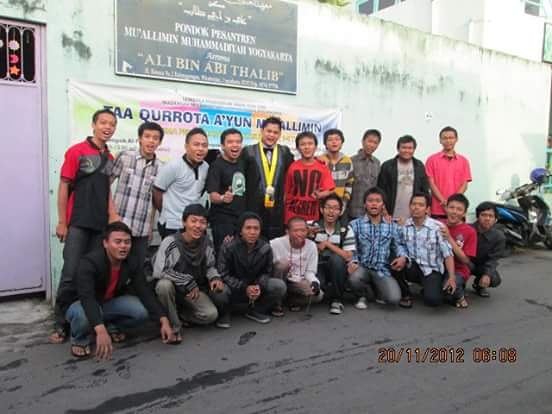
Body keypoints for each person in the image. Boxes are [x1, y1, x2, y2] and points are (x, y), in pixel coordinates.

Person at [56, 222, 174, 359]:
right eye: (117, 242)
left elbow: (145, 292)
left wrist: (163, 320)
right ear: (105, 243)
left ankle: (112, 327)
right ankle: (79, 339)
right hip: (79, 304)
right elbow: (87, 298)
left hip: (106, 303)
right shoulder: (90, 263)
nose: (123, 246)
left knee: (141, 311)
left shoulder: (132, 261)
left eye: (127, 242)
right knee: (82, 315)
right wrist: (100, 331)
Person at [50, 109, 119, 344]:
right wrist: (62, 222)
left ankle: (90, 319)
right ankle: (61, 322)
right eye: (103, 123)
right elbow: (64, 186)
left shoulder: (109, 157)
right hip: (78, 223)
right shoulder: (76, 151)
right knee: (70, 274)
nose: (107, 127)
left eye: (111, 124)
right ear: (93, 125)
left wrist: (112, 215)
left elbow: (106, 191)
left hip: (100, 226)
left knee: (94, 274)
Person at [152, 204, 223, 342]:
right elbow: (159, 271)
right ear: (184, 222)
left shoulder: (206, 242)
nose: (198, 226)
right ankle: (174, 326)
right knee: (163, 285)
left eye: (202, 222)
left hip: (192, 291)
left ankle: (181, 315)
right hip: (173, 289)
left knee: (210, 315)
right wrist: (186, 280)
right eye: (193, 221)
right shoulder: (170, 242)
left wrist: (215, 278)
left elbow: (210, 266)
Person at [214, 212, 287, 328]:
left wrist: (258, 285)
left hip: (254, 286)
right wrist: (244, 287)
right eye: (248, 228)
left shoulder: (265, 248)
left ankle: (255, 310)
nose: (252, 232)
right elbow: (223, 274)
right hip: (233, 287)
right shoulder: (228, 247)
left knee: (279, 286)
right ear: (240, 231)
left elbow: (267, 272)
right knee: (219, 291)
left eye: (256, 228)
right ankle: (225, 313)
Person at [111, 122, 164, 266]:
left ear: (159, 142)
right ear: (140, 138)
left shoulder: (161, 167)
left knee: (136, 268)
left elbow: (153, 201)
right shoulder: (124, 157)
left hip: (142, 229)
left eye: (155, 138)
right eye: (147, 136)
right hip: (118, 224)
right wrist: (110, 215)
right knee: (114, 267)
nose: (151, 141)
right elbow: (105, 185)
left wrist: (150, 227)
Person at [392, 193, 457, 308]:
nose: (416, 207)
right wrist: (403, 257)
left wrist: (452, 277)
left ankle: (432, 286)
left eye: (421, 205)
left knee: (433, 301)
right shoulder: (405, 226)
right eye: (413, 204)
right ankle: (405, 294)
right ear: (409, 206)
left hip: (431, 270)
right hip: (413, 267)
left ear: (427, 209)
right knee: (393, 261)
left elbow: (448, 254)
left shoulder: (438, 227)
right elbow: (401, 245)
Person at [348, 187, 407, 309]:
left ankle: (374, 290)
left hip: (381, 270)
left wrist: (402, 257)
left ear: (383, 205)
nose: (374, 204)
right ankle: (363, 295)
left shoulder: (392, 226)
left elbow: (399, 245)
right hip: (362, 267)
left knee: (393, 299)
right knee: (354, 278)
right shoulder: (355, 225)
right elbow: (351, 248)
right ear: (365, 204)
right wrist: (353, 261)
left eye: (378, 201)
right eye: (370, 201)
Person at [243, 116, 294, 240]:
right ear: (262, 131)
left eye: (275, 132)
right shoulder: (248, 152)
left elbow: (292, 175)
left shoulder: (285, 152)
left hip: (277, 209)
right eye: (269, 131)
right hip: (253, 207)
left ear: (280, 134)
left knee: (275, 244)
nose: (271, 135)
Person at [153, 128, 209, 239]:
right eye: (196, 144)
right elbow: (157, 192)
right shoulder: (173, 166)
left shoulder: (206, 167)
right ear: (186, 146)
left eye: (204, 145)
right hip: (172, 225)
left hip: (194, 225)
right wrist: (166, 212)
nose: (200, 149)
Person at [308, 194, 356, 315]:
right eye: (328, 207)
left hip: (337, 267)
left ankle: (337, 300)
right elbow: (300, 247)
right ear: (321, 209)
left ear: (340, 212)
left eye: (335, 208)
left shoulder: (346, 229)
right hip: (317, 265)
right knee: (318, 287)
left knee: (337, 259)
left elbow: (348, 256)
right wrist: (309, 236)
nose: (331, 211)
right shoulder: (311, 226)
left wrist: (328, 244)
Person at [206, 128, 252, 251]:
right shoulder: (216, 166)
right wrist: (223, 198)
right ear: (222, 145)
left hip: (241, 220)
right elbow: (213, 196)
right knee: (224, 254)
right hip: (223, 221)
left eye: (238, 142)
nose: (235, 145)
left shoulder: (244, 162)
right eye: (230, 142)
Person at [270, 217, 324, 313]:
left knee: (319, 295)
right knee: (283, 264)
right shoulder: (275, 244)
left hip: (297, 280)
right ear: (287, 232)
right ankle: (276, 303)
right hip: (280, 279)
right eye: (296, 231)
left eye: (303, 230)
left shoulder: (311, 246)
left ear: (307, 231)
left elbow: (310, 272)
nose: (299, 234)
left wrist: (315, 282)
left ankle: (291, 300)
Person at [284, 131, 335, 223]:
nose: (307, 147)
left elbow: (330, 189)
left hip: (313, 216)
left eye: (310, 144)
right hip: (292, 215)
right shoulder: (292, 167)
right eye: (303, 144)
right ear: (298, 148)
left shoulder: (323, 167)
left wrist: (321, 195)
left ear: (315, 147)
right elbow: (286, 193)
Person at [377, 135, 429, 224]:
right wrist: (384, 210)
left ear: (414, 149)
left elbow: (424, 191)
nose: (407, 151)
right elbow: (380, 190)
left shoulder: (419, 166)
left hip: (413, 217)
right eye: (404, 147)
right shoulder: (387, 166)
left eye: (410, 148)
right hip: (390, 216)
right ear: (398, 149)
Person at [425, 126, 472, 219]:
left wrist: (452, 203)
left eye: (451, 138)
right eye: (445, 138)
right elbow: (431, 184)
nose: (448, 141)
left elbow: (464, 184)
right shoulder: (431, 160)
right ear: (440, 140)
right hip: (437, 208)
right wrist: (443, 201)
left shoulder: (463, 161)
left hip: (457, 210)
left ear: (456, 139)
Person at [440, 194, 478, 308]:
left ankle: (460, 295)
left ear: (464, 213)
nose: (454, 212)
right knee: (433, 294)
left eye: (459, 209)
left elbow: (465, 260)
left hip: (459, 270)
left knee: (448, 288)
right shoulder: (438, 224)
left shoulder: (470, 231)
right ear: (446, 208)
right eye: (451, 207)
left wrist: (449, 238)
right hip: (439, 267)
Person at [470, 202, 505, 297]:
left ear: (495, 219)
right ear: (478, 217)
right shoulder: (468, 229)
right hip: (465, 262)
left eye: (491, 216)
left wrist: (487, 275)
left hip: (482, 265)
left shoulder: (499, 237)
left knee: (495, 280)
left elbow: (493, 259)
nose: (487, 218)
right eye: (483, 215)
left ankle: (478, 285)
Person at [318, 128, 354, 212]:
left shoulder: (347, 161)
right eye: (330, 140)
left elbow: (349, 183)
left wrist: (344, 202)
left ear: (341, 143)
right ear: (325, 144)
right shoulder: (319, 161)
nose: (334, 142)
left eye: (337, 139)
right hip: (322, 207)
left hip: (340, 207)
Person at [349, 129, 382, 220]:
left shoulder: (377, 163)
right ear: (363, 141)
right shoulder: (351, 161)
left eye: (375, 143)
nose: (372, 145)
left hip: (371, 214)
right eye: (369, 141)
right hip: (352, 213)